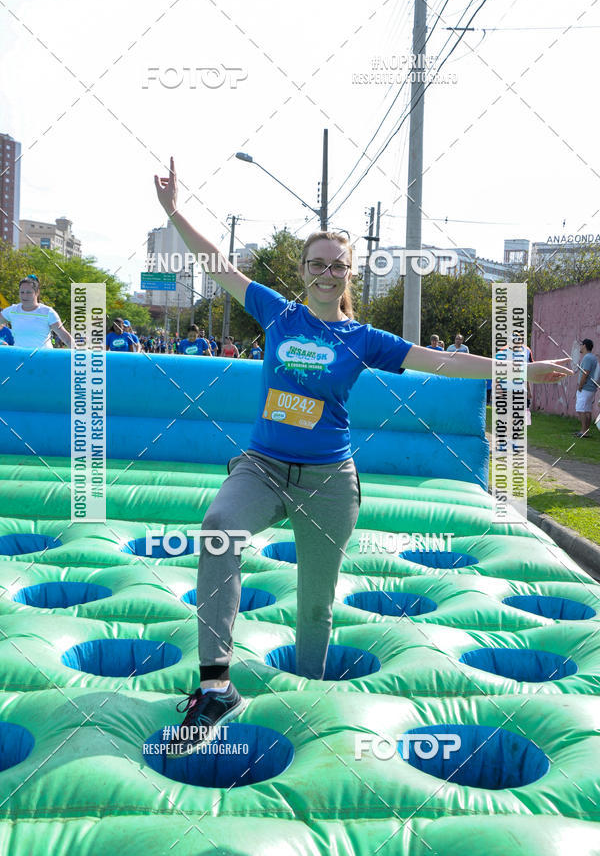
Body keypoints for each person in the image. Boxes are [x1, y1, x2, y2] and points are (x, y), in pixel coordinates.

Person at [154, 156, 572, 755]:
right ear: (301, 271)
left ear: (349, 274)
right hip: (264, 467)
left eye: (337, 265)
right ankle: (216, 687)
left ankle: (309, 698)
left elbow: (444, 361)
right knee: (219, 530)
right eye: (316, 263)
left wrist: (519, 368)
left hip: (329, 481)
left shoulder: (365, 339)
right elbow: (216, 265)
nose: (327, 273)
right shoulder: (278, 312)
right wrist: (175, 212)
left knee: (316, 605)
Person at [0, 275, 73, 349]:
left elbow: (65, 337)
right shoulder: (12, 310)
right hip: (20, 358)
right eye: (22, 292)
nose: (25, 296)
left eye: (29, 292)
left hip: (44, 357)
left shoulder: (48, 312)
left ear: (37, 292)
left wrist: (78, 353)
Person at [574, 339, 598, 438]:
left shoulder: (587, 358)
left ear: (584, 346)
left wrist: (580, 386)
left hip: (585, 388)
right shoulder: (593, 357)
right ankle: (585, 430)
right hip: (591, 388)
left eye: (581, 345)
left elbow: (585, 372)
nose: (580, 347)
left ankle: (583, 431)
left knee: (581, 409)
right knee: (587, 410)